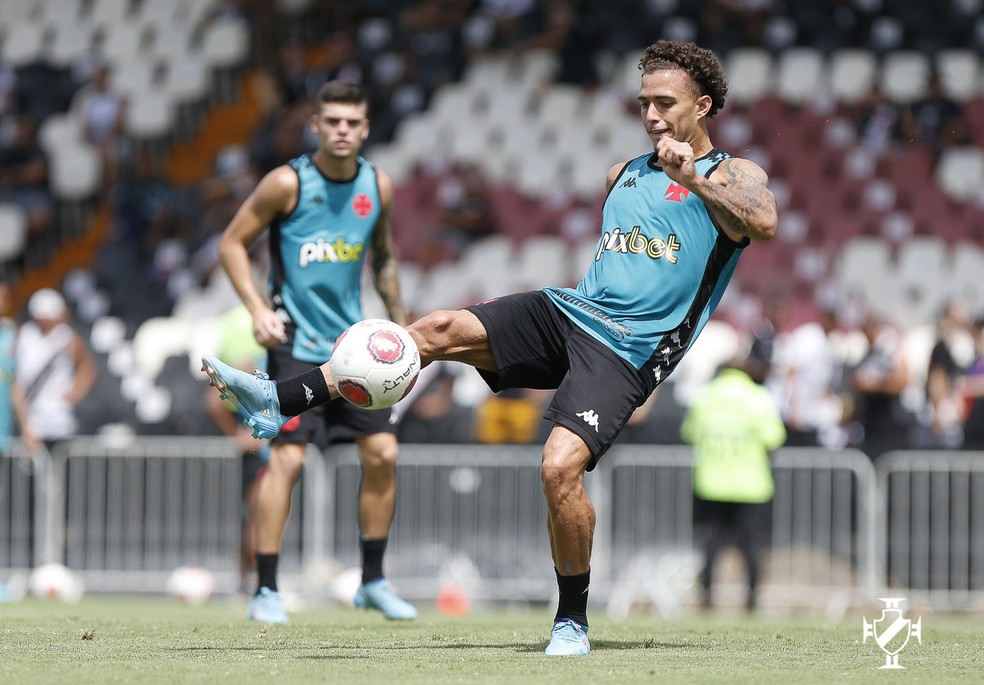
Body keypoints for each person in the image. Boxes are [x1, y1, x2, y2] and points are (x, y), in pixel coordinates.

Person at [203, 40, 778, 654]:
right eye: (644, 103)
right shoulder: (623, 174)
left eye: (665, 103)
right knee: (436, 329)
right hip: (573, 311)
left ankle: (572, 620)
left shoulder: (733, 174)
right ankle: (279, 399)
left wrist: (693, 179)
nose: (652, 115)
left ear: (702, 106)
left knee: (558, 468)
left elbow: (763, 222)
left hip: (628, 350)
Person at [206, 80, 416, 624]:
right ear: (316, 126)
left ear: (366, 129)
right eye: (333, 121)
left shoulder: (377, 185)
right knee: (287, 460)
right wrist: (257, 308)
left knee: (384, 455)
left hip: (357, 355)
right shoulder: (287, 183)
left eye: (353, 122)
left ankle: (373, 581)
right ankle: (266, 590)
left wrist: (401, 325)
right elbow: (231, 243)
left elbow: (384, 258)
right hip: (296, 349)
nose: (342, 130)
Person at [680, 360, 786, 612]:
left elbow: (689, 433)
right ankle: (752, 598)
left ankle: (706, 596)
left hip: (711, 483)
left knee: (711, 543)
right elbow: (774, 437)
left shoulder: (705, 396)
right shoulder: (758, 397)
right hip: (752, 485)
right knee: (753, 545)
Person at [203, 303, 269, 595]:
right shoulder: (254, 362)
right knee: (262, 519)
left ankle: (252, 583)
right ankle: (261, 585)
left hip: (264, 451)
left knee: (259, 518)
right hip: (264, 454)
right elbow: (213, 403)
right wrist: (244, 435)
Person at [15, 288, 97, 455]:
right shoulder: (25, 335)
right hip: (31, 418)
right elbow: (17, 379)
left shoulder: (67, 337)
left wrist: (73, 394)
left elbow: (87, 368)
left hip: (59, 419)